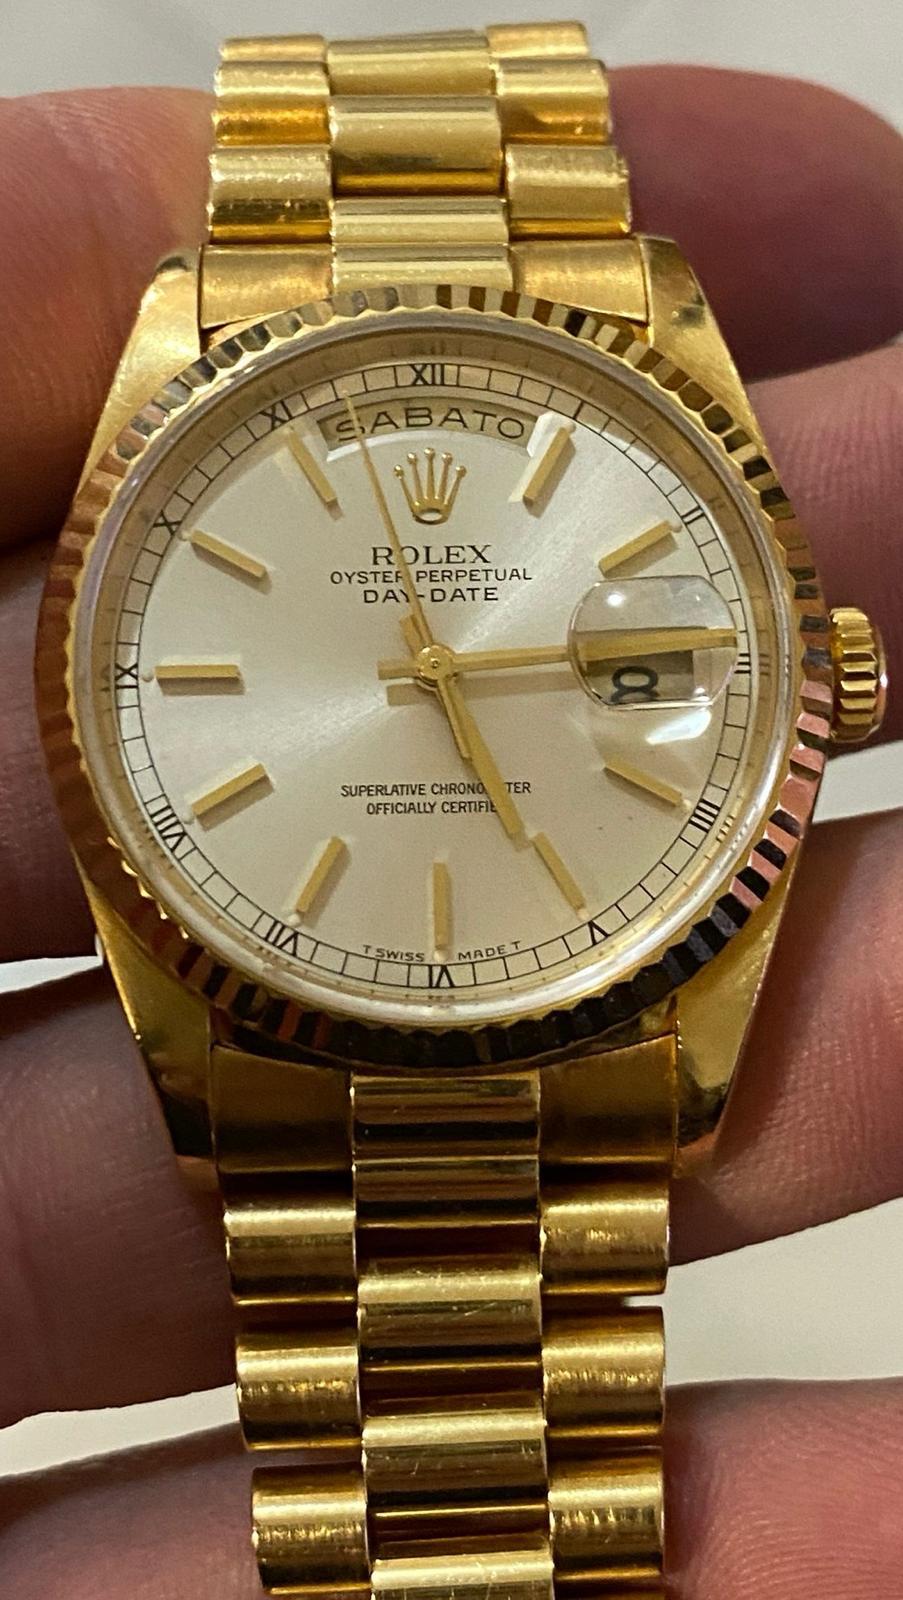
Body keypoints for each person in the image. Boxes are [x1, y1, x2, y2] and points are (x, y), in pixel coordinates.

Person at [1, 64, 902, 1595]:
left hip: (555, 999)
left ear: (830, 676)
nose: (432, 670)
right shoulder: (197, 349)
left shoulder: (618, 357)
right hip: (297, 1004)